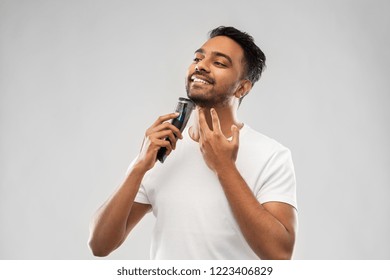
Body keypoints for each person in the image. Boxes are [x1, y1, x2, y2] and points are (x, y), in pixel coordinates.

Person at [88, 26, 298, 260]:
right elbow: (99, 245)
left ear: (242, 87)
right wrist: (139, 166)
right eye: (198, 58)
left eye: (219, 63)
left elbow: (279, 254)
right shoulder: (161, 149)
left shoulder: (272, 155)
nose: (201, 66)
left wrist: (225, 168)